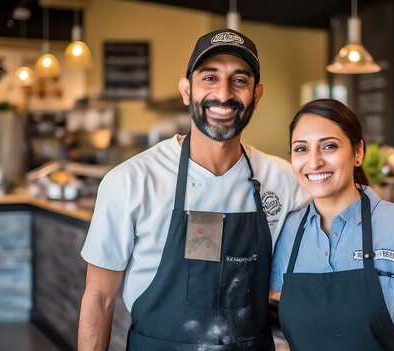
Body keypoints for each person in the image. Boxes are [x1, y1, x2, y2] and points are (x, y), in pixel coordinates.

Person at [78, 29, 308, 350]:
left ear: (256, 95)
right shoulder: (131, 180)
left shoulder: (286, 180)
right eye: (209, 79)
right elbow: (99, 298)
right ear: (187, 91)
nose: (224, 94)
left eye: (239, 81)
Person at [270, 99, 394, 350]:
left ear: (358, 152)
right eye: (301, 149)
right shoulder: (287, 231)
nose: (314, 162)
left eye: (329, 146)